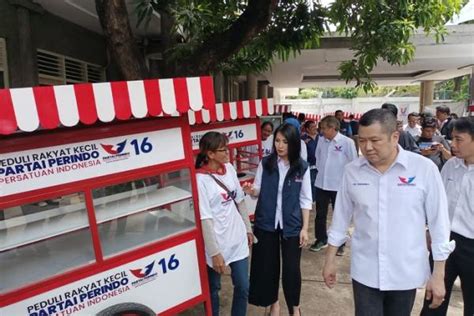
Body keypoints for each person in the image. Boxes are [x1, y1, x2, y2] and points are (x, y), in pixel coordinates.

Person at [323, 109, 454, 316]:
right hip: (365, 271)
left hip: (405, 272)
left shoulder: (423, 169)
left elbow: (439, 224)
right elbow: (340, 218)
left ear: (395, 137)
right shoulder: (352, 171)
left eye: (375, 140)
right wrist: (330, 260)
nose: (367, 147)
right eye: (362, 140)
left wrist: (438, 274)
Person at [243, 123, 312, 316]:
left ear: (294, 143)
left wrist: (305, 228)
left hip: (291, 225)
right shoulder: (266, 163)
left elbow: (306, 199)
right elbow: (257, 189)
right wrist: (251, 191)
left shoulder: (301, 167)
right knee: (268, 266)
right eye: (277, 141)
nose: (280, 146)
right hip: (267, 223)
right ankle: (273, 304)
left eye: (285, 142)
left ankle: (295, 308)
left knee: (291, 269)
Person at [195, 132, 253, 316]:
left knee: (243, 286)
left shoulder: (229, 168)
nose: (228, 152)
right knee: (213, 289)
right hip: (217, 244)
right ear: (210, 154)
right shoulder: (200, 180)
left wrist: (248, 229)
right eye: (223, 150)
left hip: (237, 239)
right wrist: (214, 253)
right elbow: (205, 219)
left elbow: (240, 200)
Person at [421, 117, 474, 316]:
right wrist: (430, 231)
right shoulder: (451, 166)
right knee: (433, 298)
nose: (453, 144)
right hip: (444, 242)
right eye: (452, 139)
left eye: (459, 139)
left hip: (471, 246)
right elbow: (438, 204)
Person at [310, 116, 358, 256]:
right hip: (321, 184)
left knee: (340, 215)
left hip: (339, 186)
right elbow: (318, 158)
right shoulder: (321, 140)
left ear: (332, 128)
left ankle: (340, 243)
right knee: (320, 214)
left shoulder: (347, 142)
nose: (322, 131)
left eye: (324, 128)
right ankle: (321, 239)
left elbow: (353, 163)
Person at [301, 120, 319, 203]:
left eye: (315, 126)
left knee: (318, 182)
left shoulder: (321, 137)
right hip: (309, 164)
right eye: (312, 127)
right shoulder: (303, 139)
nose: (315, 128)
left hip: (319, 164)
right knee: (311, 182)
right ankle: (312, 199)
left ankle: (317, 199)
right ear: (307, 129)